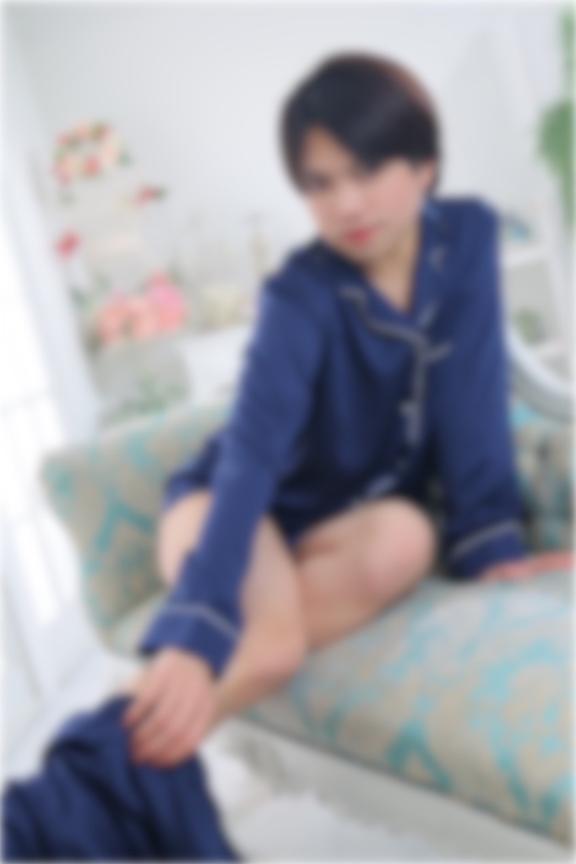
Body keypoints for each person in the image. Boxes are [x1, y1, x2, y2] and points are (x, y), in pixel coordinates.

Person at [117, 51, 562, 770]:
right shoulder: (298, 296)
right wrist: (196, 630)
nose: (347, 205)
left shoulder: (468, 237)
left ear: (424, 166)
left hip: (342, 530)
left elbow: (471, 394)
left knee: (409, 537)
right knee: (273, 647)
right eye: (321, 183)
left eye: (367, 170)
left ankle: (147, 718)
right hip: (230, 512)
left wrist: (492, 548)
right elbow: (251, 459)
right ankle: (115, 761)